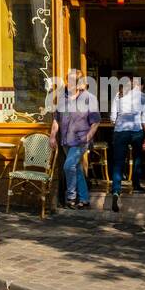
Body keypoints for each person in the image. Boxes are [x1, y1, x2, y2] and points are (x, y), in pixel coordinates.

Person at [49, 69, 100, 209]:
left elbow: (96, 122)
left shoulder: (89, 98)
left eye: (74, 80)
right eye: (69, 80)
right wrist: (53, 136)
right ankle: (84, 198)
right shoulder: (62, 98)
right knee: (76, 168)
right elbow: (56, 120)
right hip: (66, 140)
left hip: (81, 140)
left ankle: (70, 197)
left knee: (68, 166)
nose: (70, 83)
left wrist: (88, 137)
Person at [109, 74, 145, 212]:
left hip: (120, 132)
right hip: (136, 132)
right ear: (140, 86)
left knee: (118, 162)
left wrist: (118, 122)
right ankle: (136, 185)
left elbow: (112, 118)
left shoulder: (118, 95)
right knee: (137, 158)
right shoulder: (144, 98)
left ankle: (116, 190)